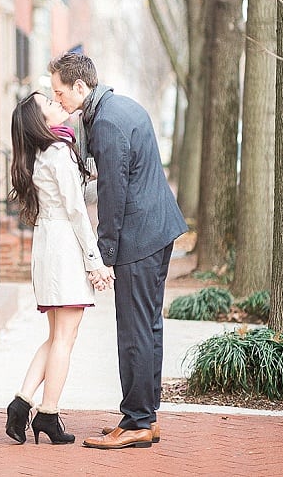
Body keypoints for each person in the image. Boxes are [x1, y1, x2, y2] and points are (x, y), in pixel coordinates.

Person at [48, 53, 188, 451]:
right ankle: (144, 415)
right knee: (148, 326)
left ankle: (139, 421)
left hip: (140, 238)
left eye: (61, 93)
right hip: (157, 231)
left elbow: (113, 193)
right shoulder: (119, 106)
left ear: (80, 87)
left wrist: (104, 254)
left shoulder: (107, 122)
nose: (59, 102)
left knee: (134, 331)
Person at [5, 91, 112, 446]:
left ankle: (21, 406)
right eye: (48, 104)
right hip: (64, 247)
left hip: (49, 246)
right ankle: (48, 414)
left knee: (55, 337)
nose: (56, 102)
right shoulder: (57, 153)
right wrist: (95, 262)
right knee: (65, 338)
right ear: (41, 121)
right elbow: (78, 212)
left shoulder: (41, 154)